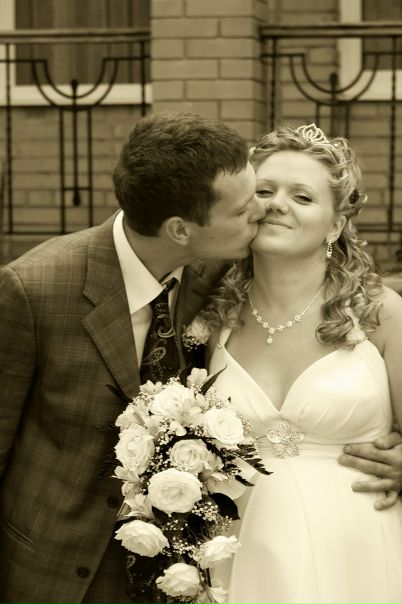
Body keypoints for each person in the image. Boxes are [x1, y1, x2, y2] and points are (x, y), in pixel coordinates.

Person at [0, 111, 265, 604]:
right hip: (52, 569)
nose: (261, 212)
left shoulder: (220, 275)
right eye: (243, 207)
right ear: (180, 229)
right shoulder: (33, 289)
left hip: (181, 567)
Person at [207, 123, 402, 603]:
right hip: (235, 547)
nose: (277, 204)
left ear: (335, 225)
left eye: (302, 196)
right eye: (264, 191)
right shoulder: (210, 316)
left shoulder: (381, 313)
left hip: (356, 551)